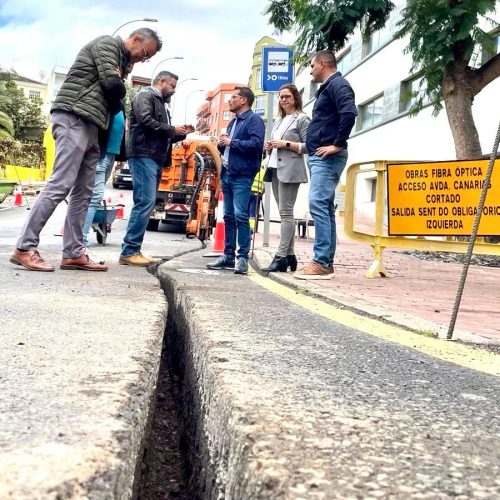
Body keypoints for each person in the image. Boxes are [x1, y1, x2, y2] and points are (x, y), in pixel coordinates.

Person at [10, 28, 162, 272]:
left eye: (147, 58)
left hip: (93, 125)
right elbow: (113, 87)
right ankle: (24, 247)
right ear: (135, 40)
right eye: (145, 53)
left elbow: (116, 101)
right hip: (74, 116)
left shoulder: (120, 61)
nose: (143, 59)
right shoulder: (107, 44)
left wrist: (120, 76)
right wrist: (119, 80)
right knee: (61, 183)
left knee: (85, 192)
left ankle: (73, 252)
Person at [119, 71, 194, 266]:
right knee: (144, 202)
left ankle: (133, 249)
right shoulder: (146, 96)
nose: (174, 91)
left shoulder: (161, 103)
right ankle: (129, 251)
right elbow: (146, 122)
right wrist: (172, 129)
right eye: (173, 86)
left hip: (154, 156)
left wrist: (181, 133)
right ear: (162, 82)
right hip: (144, 155)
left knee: (146, 203)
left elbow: (162, 133)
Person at [294, 50, 357, 280]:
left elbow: (350, 113)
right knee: (324, 206)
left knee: (318, 203)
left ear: (323, 64)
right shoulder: (331, 86)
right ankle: (324, 261)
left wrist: (337, 145)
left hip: (327, 157)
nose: (310, 70)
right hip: (321, 156)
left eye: (312, 66)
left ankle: (321, 261)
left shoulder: (338, 84)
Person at [206, 87, 265, 275]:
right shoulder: (233, 122)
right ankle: (228, 255)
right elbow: (229, 148)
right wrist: (222, 144)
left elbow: (257, 145)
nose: (230, 100)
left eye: (234, 97)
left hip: (242, 175)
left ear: (244, 100)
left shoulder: (253, 120)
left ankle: (242, 259)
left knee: (240, 216)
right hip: (228, 174)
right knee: (228, 217)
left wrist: (232, 142)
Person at [262, 84, 310, 273]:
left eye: (287, 96)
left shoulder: (303, 119)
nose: (283, 100)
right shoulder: (279, 119)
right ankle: (290, 256)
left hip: (291, 170)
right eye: (281, 97)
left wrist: (286, 144)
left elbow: (309, 146)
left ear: (296, 98)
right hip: (274, 168)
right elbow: (277, 143)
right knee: (284, 214)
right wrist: (271, 146)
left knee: (286, 213)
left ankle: (281, 256)